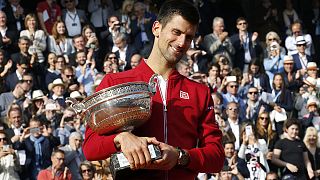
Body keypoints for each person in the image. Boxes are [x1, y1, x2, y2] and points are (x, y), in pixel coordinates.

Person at [82, 1, 224, 179]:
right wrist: (121, 139)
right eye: (176, 32)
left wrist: (181, 156)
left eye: (189, 37)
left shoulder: (199, 92)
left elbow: (217, 157)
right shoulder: (115, 82)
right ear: (156, 28)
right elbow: (90, 147)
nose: (182, 43)